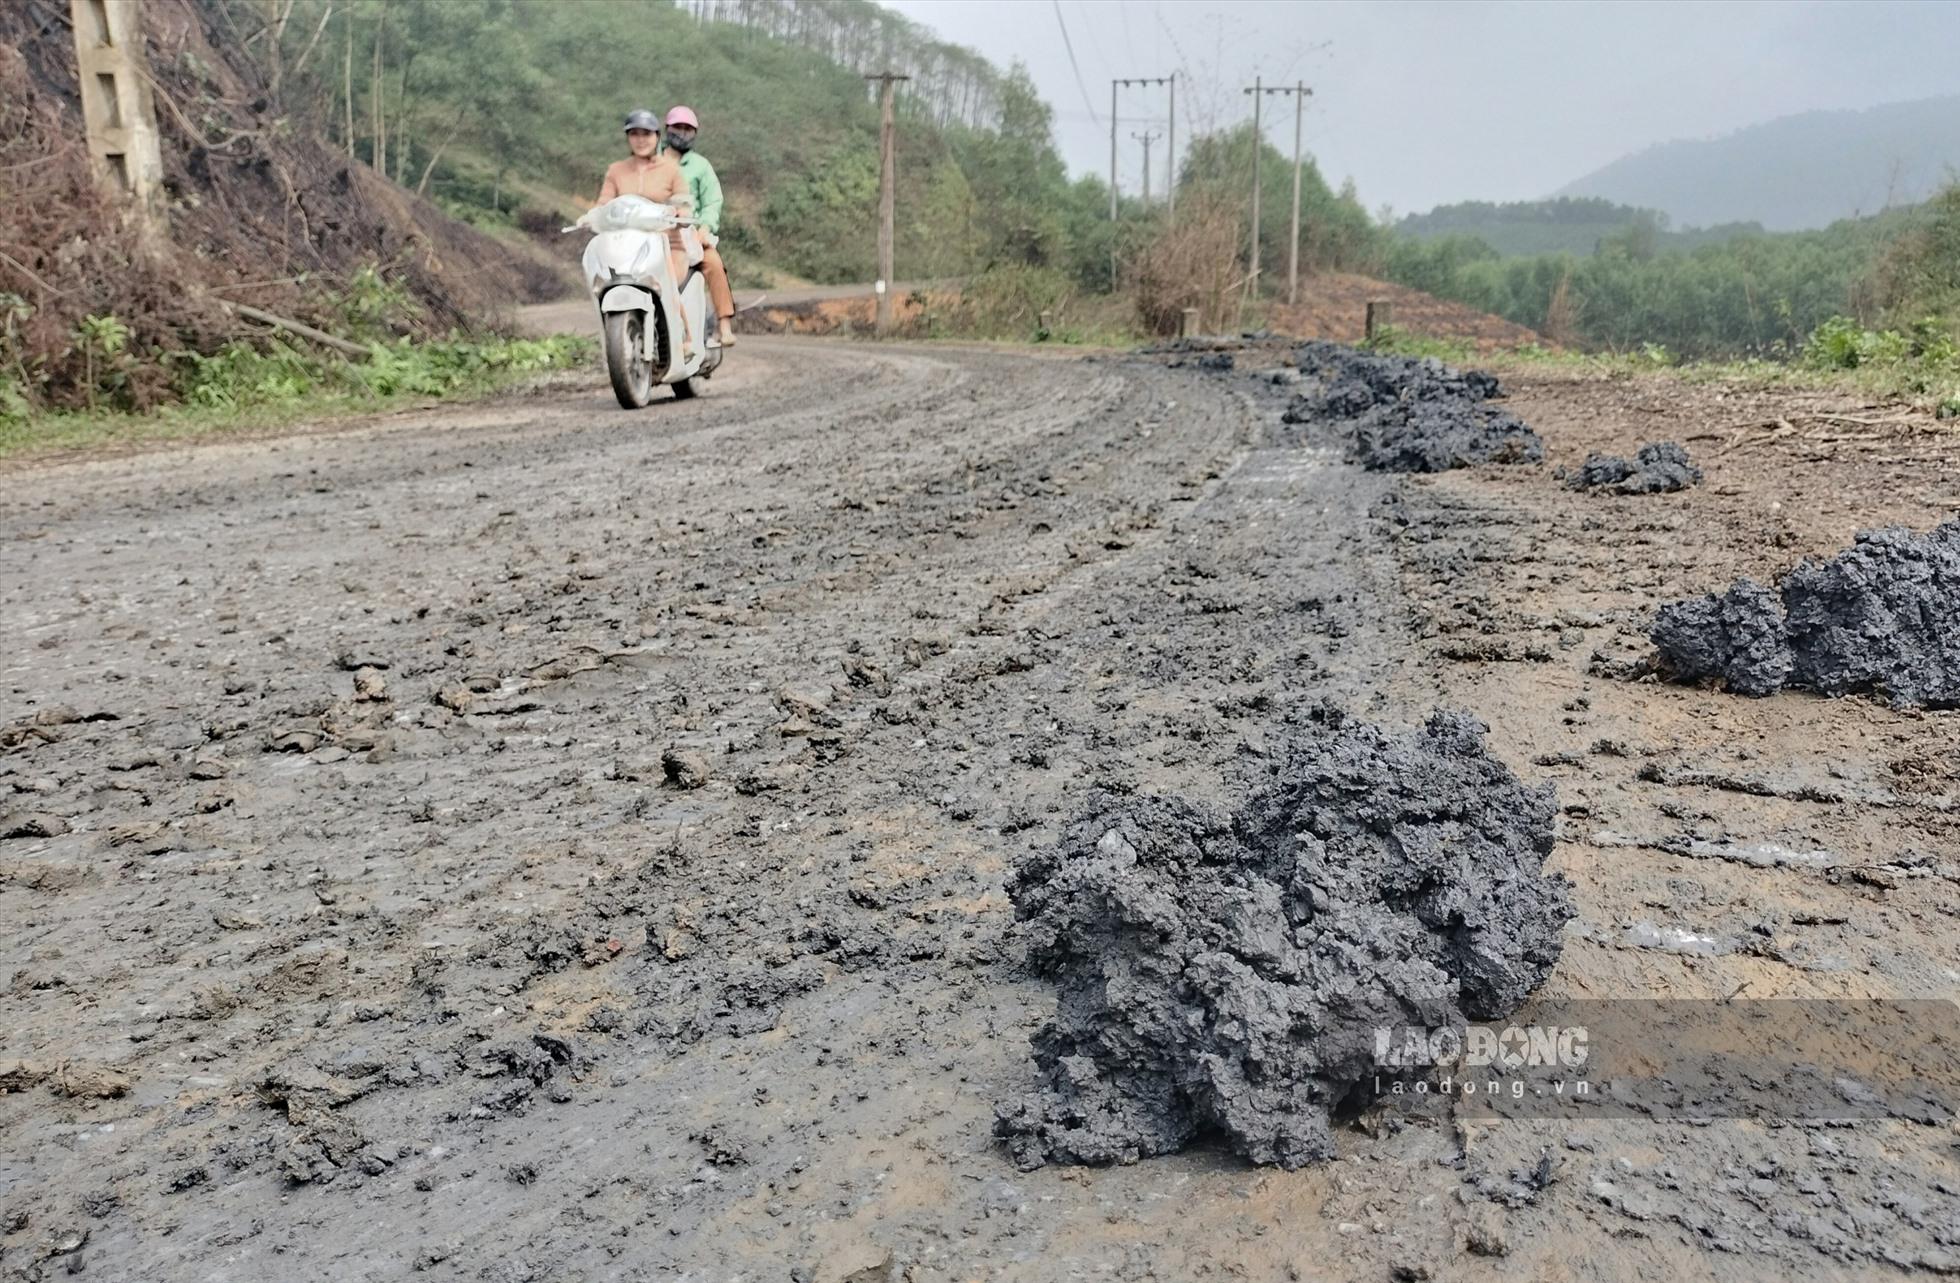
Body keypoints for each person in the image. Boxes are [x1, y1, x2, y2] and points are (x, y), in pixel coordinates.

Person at [596, 108, 697, 357]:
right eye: (634, 134)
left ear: (657, 136)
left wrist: (680, 215)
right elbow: (603, 203)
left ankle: (685, 336)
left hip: (668, 244)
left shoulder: (671, 169)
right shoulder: (616, 170)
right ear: (628, 138)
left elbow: (683, 203)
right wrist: (591, 217)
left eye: (646, 134)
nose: (641, 139)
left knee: (667, 281)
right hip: (628, 246)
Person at [661, 106, 738, 347]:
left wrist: (705, 228)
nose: (682, 134)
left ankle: (724, 326)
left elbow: (713, 201)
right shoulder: (652, 162)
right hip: (657, 232)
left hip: (689, 233)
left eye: (688, 129)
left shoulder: (701, 166)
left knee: (713, 263)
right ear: (667, 130)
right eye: (678, 128)